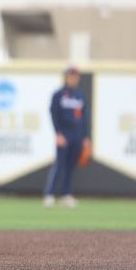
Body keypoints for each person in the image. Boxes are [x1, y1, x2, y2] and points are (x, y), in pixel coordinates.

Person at [43, 66, 91, 208]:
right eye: (71, 76)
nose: (73, 78)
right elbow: (53, 114)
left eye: (76, 76)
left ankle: (66, 194)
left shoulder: (80, 95)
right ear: (66, 77)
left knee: (70, 166)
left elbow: (85, 117)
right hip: (64, 134)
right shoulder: (58, 94)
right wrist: (58, 133)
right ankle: (49, 194)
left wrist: (86, 137)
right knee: (59, 165)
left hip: (77, 135)